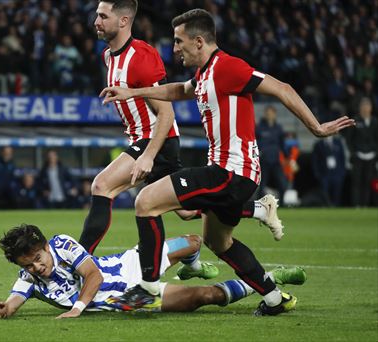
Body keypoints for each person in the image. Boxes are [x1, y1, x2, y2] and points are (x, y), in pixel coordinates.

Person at [100, 8, 354, 315]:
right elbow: (179, 90)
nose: (175, 48)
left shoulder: (227, 67)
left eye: (179, 42)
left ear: (198, 42)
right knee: (218, 242)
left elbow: (282, 88)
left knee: (146, 201)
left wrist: (316, 127)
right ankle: (275, 298)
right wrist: (133, 91)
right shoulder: (204, 74)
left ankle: (149, 288)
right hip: (231, 174)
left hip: (230, 171)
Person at [80, 0, 283, 258]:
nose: (96, 21)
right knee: (187, 211)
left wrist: (148, 155)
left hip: (156, 139)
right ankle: (255, 211)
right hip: (142, 139)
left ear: (123, 21)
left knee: (102, 185)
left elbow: (166, 113)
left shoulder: (141, 57)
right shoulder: (108, 56)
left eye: (102, 16)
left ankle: (77, 264)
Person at [0, 224, 306, 319]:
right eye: (28, 264)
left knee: (194, 241)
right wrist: (4, 310)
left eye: (37, 258)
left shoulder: (62, 245)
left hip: (128, 265)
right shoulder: (29, 278)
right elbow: (14, 301)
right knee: (202, 297)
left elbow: (93, 276)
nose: (36, 266)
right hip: (130, 297)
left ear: (43, 246)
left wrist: (77, 309)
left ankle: (193, 266)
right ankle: (270, 280)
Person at [346, 97, 377, 207]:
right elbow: (349, 139)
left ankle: (365, 205)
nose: (365, 108)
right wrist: (353, 153)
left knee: (368, 181)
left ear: (371, 108)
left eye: (367, 106)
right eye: (363, 106)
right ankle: (356, 205)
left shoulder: (374, 121)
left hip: (371, 156)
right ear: (360, 108)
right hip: (358, 155)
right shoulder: (355, 120)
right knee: (356, 182)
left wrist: (375, 153)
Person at [256, 105, 289, 200]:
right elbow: (254, 143)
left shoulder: (278, 128)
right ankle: (259, 206)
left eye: (271, 113)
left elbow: (282, 144)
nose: (269, 115)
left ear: (275, 114)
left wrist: (288, 158)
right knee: (262, 185)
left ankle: (282, 204)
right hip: (263, 161)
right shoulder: (259, 128)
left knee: (282, 183)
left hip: (276, 161)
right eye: (267, 113)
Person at [311, 135, 346, 206]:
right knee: (325, 192)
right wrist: (317, 174)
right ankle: (327, 207)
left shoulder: (338, 142)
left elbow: (342, 158)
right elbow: (315, 161)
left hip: (337, 173)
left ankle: (336, 207)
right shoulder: (318, 144)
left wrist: (342, 173)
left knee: (336, 192)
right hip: (324, 173)